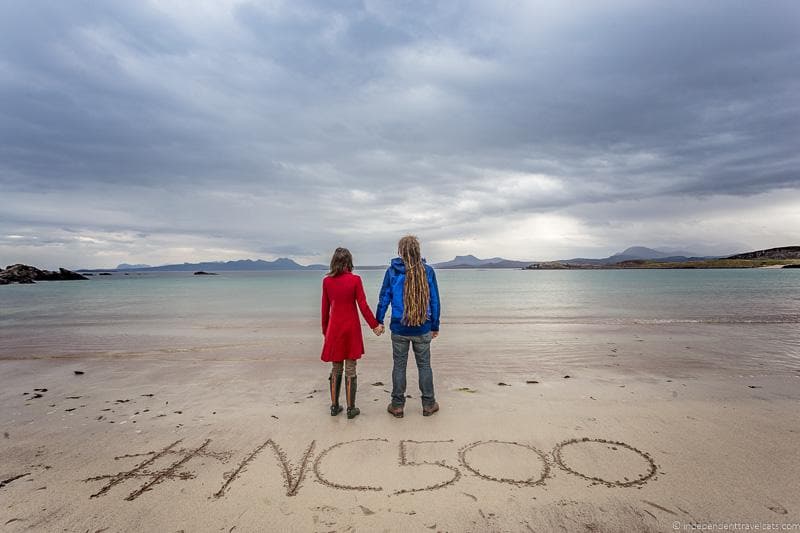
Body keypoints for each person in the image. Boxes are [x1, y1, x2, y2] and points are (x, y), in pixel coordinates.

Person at [375, 235, 441, 418]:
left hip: (399, 328)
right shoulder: (427, 271)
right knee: (425, 366)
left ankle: (397, 406)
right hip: (422, 327)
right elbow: (434, 300)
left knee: (399, 366)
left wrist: (378, 320)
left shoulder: (392, 271)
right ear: (417, 250)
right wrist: (435, 324)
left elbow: (384, 298)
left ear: (401, 251)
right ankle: (428, 404)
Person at [321, 247, 382, 419]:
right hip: (351, 330)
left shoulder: (327, 282)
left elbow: (324, 310)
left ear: (334, 262)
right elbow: (363, 305)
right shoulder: (355, 280)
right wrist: (375, 325)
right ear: (349, 262)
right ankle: (351, 409)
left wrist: (326, 332)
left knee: (336, 367)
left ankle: (334, 407)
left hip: (334, 330)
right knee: (350, 368)